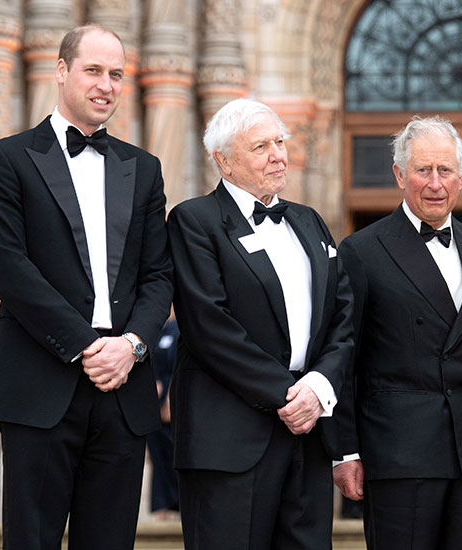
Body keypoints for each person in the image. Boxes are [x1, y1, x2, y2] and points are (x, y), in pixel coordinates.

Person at [0, 24, 173, 550]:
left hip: (122, 391)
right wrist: (87, 346)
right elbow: (7, 266)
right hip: (40, 382)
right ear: (62, 71)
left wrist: (131, 345)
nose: (106, 85)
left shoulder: (144, 168)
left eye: (116, 74)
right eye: (93, 70)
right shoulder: (5, 160)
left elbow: (158, 274)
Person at [167, 98, 353, 549]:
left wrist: (318, 390)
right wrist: (287, 395)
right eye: (261, 146)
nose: (278, 155)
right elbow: (209, 325)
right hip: (230, 439)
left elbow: (344, 313)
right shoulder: (195, 221)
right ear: (223, 161)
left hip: (307, 435)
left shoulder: (309, 221)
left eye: (280, 142)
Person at [333, 115, 462, 550]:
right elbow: (344, 355)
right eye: (422, 170)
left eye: (445, 170)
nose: (434, 183)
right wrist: (345, 451)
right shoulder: (361, 251)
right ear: (400, 175)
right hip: (399, 452)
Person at [146, 313, 180, 519]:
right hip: (154, 400)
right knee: (158, 453)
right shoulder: (159, 328)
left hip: (174, 397)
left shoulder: (180, 328)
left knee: (175, 450)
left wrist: (169, 399)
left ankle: (180, 502)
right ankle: (163, 505)